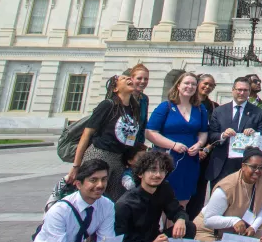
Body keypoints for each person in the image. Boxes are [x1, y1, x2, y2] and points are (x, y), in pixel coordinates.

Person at [67, 73, 142, 201]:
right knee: (90, 194)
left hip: (119, 159)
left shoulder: (133, 108)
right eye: (123, 78)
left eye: (129, 77)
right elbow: (87, 134)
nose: (129, 78)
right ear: (115, 89)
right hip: (100, 154)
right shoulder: (107, 105)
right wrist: (76, 166)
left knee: (115, 199)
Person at [145, 71, 210, 205]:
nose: (190, 86)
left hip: (190, 160)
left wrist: (199, 144)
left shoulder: (200, 109)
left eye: (193, 84)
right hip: (167, 159)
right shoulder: (166, 106)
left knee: (183, 200)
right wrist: (173, 145)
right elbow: (150, 132)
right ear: (178, 85)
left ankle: (176, 225)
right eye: (186, 83)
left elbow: (203, 132)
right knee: (162, 198)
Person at [206, 76, 262, 185]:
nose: (242, 93)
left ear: (249, 92)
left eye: (245, 90)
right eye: (239, 90)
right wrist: (223, 135)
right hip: (221, 166)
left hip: (246, 166)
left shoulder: (258, 113)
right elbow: (211, 135)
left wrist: (254, 134)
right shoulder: (219, 111)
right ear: (233, 90)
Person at [189, 74, 221, 218]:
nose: (207, 87)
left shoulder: (215, 107)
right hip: (187, 151)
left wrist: (207, 149)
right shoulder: (187, 103)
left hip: (205, 155)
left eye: (211, 85)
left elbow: (215, 132)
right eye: (205, 83)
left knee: (199, 191)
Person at [129, 64, 151, 148]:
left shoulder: (144, 99)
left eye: (146, 79)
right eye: (139, 78)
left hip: (136, 144)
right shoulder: (124, 97)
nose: (143, 81)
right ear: (131, 78)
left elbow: (143, 124)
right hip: (120, 143)